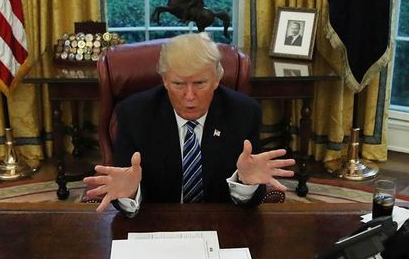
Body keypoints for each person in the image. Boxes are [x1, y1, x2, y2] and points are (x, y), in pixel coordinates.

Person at [84, 33, 295, 214]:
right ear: (165, 80)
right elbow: (125, 195)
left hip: (221, 226)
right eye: (178, 84)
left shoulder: (244, 112)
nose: (189, 96)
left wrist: (245, 183)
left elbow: (250, 202)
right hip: (155, 227)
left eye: (200, 83)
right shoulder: (133, 114)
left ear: (217, 79)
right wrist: (130, 193)